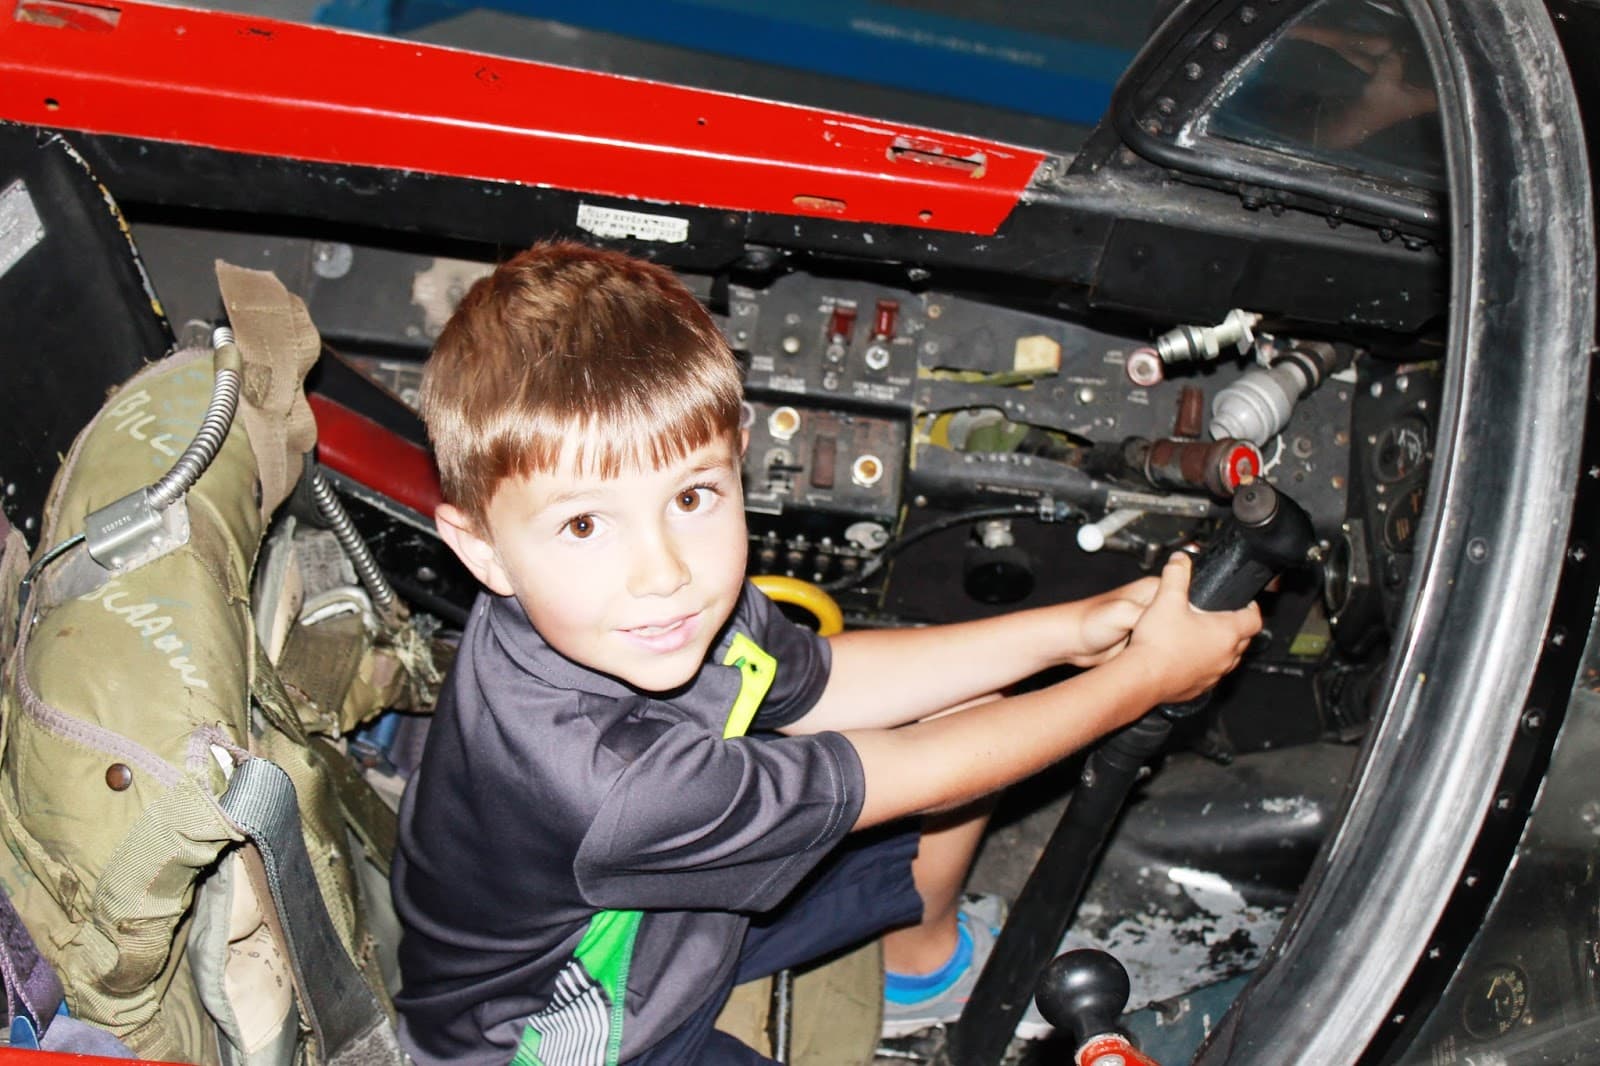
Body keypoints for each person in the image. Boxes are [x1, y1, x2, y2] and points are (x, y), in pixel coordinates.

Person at [391, 241, 1261, 1066]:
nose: (663, 571)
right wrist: (1145, 679)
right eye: (585, 524)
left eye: (692, 495)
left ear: (739, 464)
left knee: (976, 716)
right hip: (582, 1030)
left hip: (650, 908)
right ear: (484, 552)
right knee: (945, 757)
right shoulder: (605, 782)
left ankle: (919, 968)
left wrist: (1074, 631)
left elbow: (820, 682)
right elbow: (905, 769)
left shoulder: (644, 613)